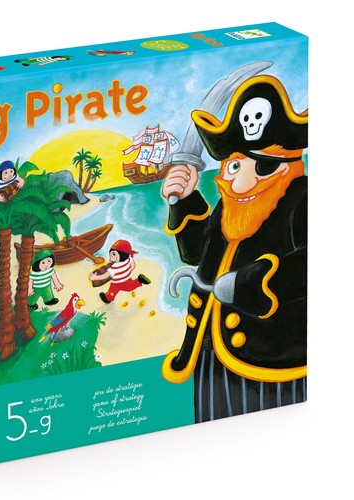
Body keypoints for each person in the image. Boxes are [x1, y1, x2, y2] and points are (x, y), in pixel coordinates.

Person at [161, 75, 308, 423]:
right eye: (235, 165)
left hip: (273, 364)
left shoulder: (302, 198)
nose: (241, 181)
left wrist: (252, 283)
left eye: (264, 166)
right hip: (210, 354)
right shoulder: (230, 207)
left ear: (290, 163)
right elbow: (197, 254)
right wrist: (183, 200)